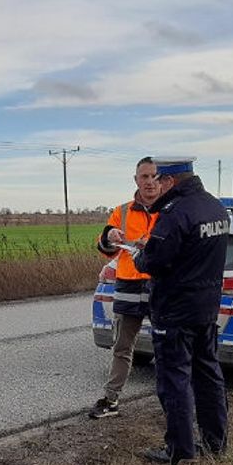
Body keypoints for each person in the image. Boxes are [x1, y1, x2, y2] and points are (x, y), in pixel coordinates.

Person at [131, 156, 230, 465]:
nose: (155, 185)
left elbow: (155, 260)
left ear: (171, 181)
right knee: (209, 375)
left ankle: (180, 451)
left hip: (174, 311)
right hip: (206, 308)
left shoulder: (175, 214)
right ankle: (216, 443)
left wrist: (139, 256)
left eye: (159, 180)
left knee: (174, 381)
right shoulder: (215, 207)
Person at [89, 156, 161, 419]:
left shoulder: (171, 209)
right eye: (145, 177)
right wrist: (108, 237)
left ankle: (173, 398)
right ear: (136, 180)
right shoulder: (122, 211)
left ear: (162, 179)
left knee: (167, 345)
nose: (150, 182)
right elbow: (104, 245)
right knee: (122, 346)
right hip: (128, 285)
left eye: (154, 176)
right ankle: (111, 400)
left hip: (159, 285)